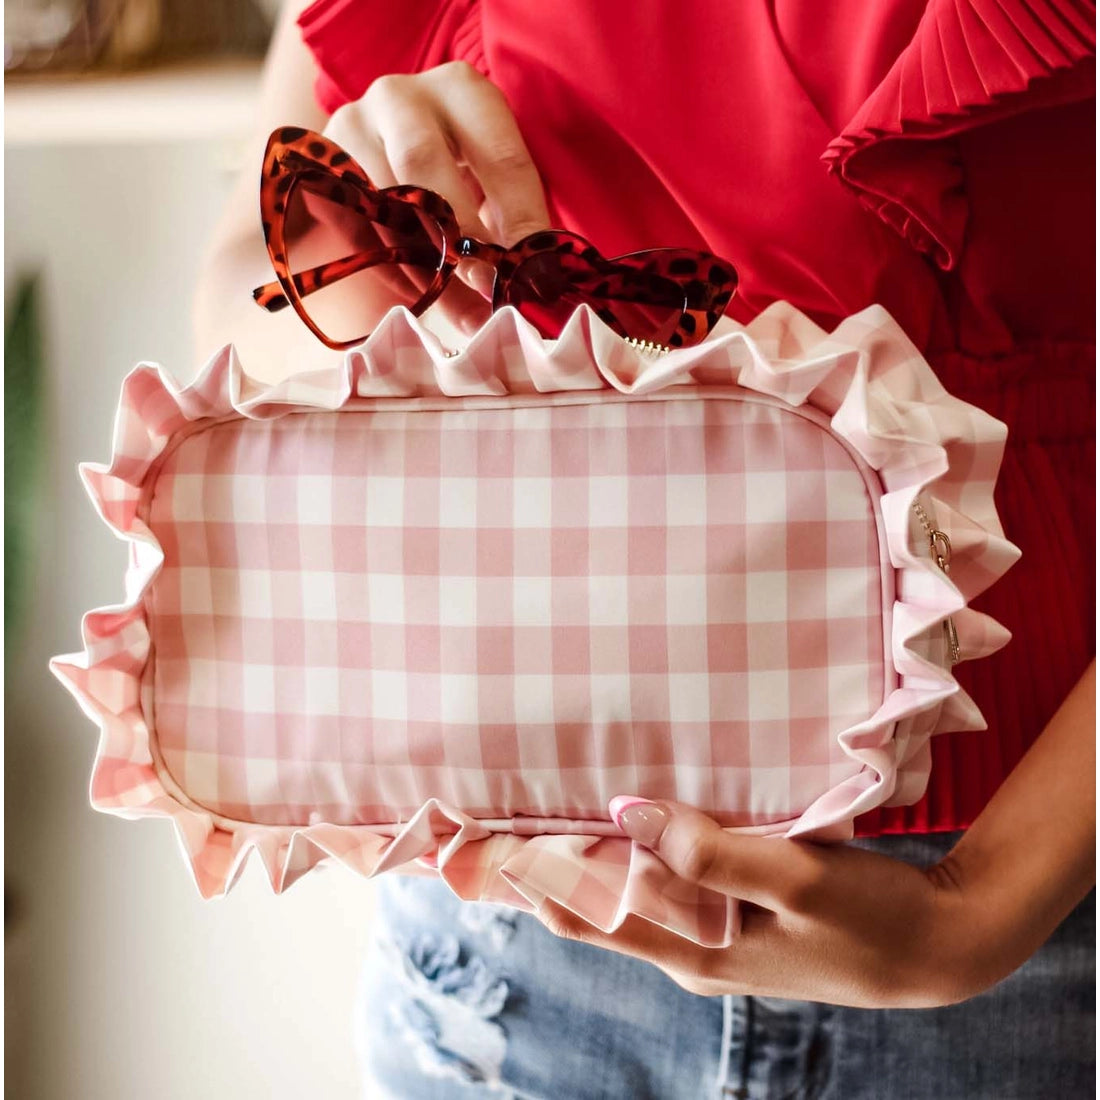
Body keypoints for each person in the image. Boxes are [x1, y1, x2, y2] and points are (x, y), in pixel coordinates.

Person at [193, 1, 1096, 1096]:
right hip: (505, 930)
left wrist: (981, 905)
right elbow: (236, 296)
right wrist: (357, 260)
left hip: (1032, 927)